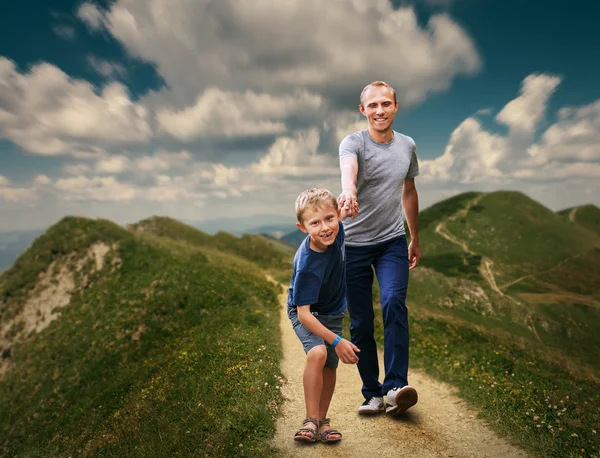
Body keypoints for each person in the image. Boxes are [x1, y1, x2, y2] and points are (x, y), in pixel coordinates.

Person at [337, 80, 421, 417]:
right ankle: (372, 392)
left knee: (393, 302)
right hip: (353, 246)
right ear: (363, 110)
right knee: (360, 322)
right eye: (372, 105)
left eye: (385, 104)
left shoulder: (408, 145)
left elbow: (409, 191)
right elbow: (349, 169)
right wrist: (349, 191)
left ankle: (396, 386)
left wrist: (414, 237)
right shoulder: (352, 143)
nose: (379, 111)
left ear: (396, 106)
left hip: (391, 242)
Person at [287, 188, 360, 443]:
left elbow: (345, 208)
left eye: (329, 218)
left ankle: (322, 421)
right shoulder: (308, 265)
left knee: (330, 364)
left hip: (333, 310)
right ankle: (309, 420)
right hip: (306, 312)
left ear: (337, 215)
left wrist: (348, 199)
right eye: (315, 223)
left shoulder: (337, 232)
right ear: (302, 227)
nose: (325, 227)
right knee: (318, 353)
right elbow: (304, 314)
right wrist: (337, 341)